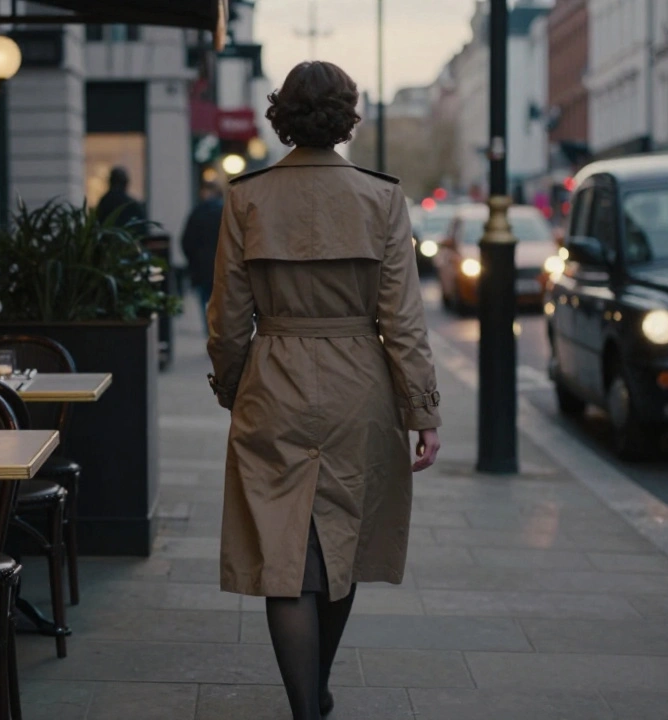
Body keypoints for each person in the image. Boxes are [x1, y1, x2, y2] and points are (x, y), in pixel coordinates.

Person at [206, 61, 442, 720]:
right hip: (359, 385)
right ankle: (318, 689)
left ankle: (306, 707)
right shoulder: (381, 197)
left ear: (281, 114)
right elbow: (402, 318)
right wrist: (421, 410)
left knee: (285, 554)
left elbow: (228, 317)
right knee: (342, 541)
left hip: (274, 378)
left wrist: (232, 385)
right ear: (347, 116)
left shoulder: (245, 196)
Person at [180, 181, 225, 330]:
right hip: (224, 266)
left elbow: (186, 241)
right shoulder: (226, 212)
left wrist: (193, 262)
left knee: (205, 300)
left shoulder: (197, 212)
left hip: (202, 267)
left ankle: (211, 331)